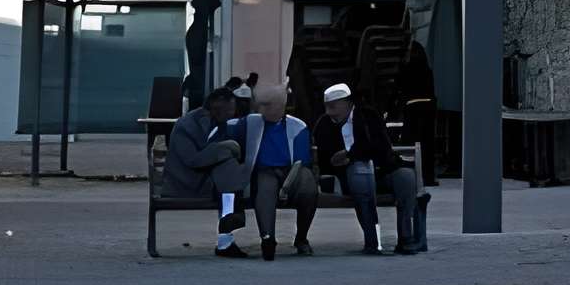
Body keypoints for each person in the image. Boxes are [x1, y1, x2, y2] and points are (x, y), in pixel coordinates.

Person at [315, 81, 422, 255]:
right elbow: (326, 158)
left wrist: (350, 153)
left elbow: (380, 146)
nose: (329, 112)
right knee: (360, 172)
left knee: (406, 178)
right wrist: (345, 159)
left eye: (333, 107)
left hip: (382, 170)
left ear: (346, 103)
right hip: (351, 177)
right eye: (327, 107)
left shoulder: (368, 116)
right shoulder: (324, 124)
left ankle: (406, 238)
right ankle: (373, 241)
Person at [163, 86, 251, 259]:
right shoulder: (187, 125)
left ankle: (230, 222)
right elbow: (193, 160)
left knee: (228, 172)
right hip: (185, 183)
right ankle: (231, 223)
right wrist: (225, 149)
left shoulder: (218, 124)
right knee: (228, 171)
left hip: (210, 181)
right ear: (217, 109)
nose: (232, 114)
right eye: (230, 110)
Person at [236, 81, 318, 259]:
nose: (262, 109)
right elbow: (226, 127)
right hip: (263, 172)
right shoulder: (251, 122)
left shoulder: (298, 126)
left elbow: (300, 163)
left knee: (308, 186)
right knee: (266, 185)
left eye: (268, 105)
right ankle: (268, 239)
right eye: (261, 105)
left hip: (291, 171)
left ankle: (301, 238)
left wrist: (287, 187)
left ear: (281, 106)